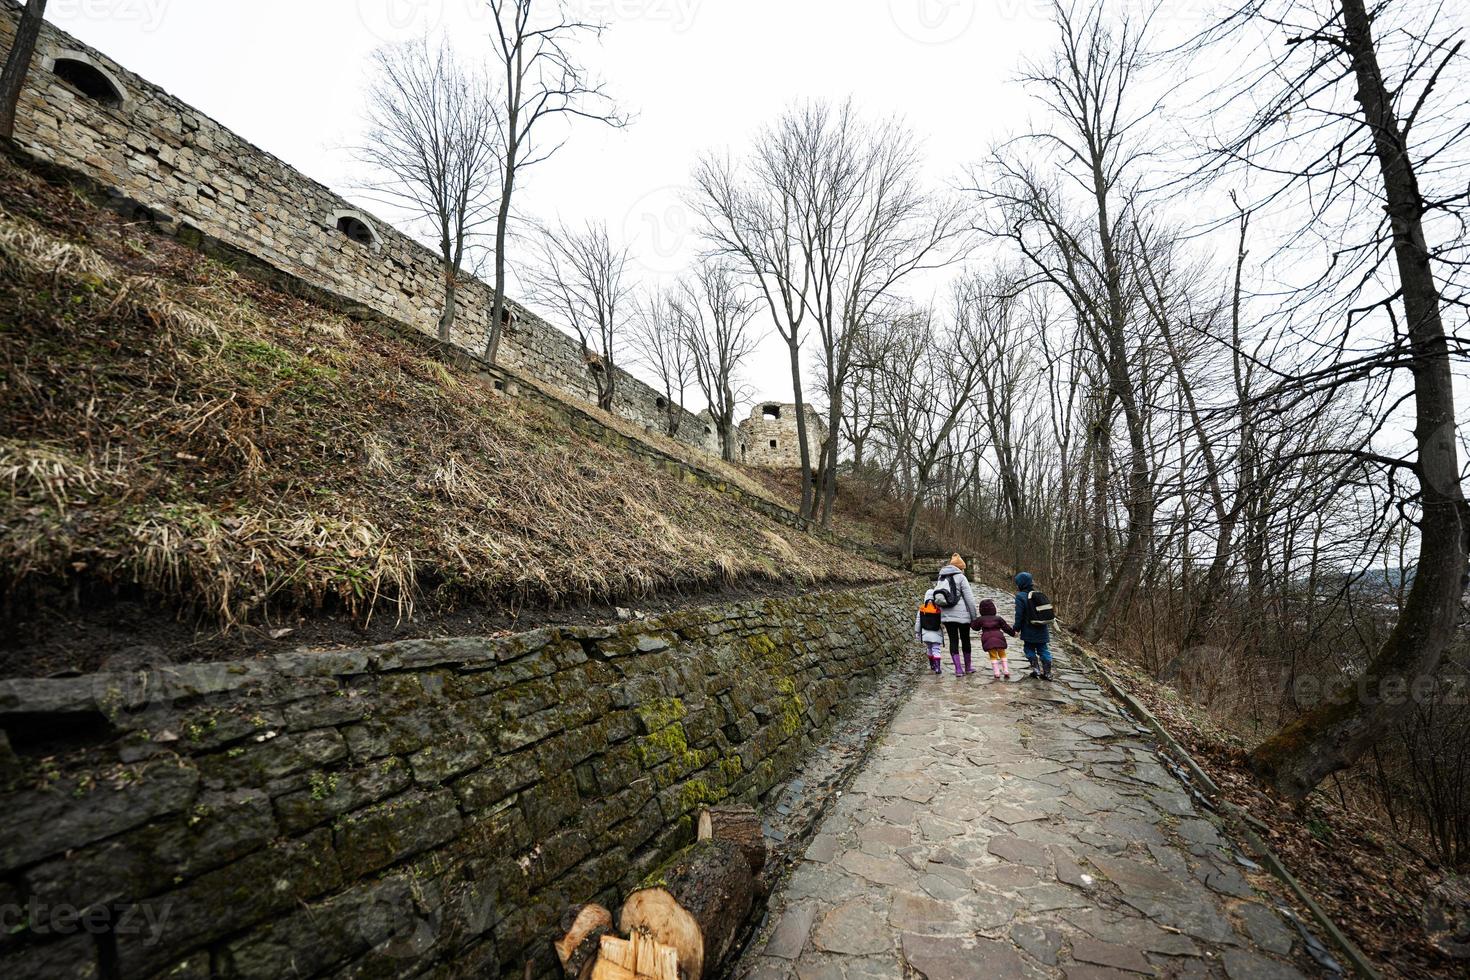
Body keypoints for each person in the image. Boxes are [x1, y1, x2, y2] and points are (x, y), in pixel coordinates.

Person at [935, 554, 978, 676]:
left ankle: (958, 669)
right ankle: (968, 667)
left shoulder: (941, 577)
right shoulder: (961, 577)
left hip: (947, 616)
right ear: (960, 568)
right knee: (965, 639)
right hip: (963, 616)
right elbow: (969, 599)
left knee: (953, 640)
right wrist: (974, 617)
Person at [1014, 571, 1053, 681]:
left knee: (1029, 649)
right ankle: (1047, 673)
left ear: (1021, 584)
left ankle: (1036, 669)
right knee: (1044, 650)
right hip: (1042, 628)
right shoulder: (1038, 594)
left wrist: (1016, 628)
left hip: (1028, 629)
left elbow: (1019, 615)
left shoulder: (1020, 596)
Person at [973, 598, 1018, 680]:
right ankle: (1006, 671)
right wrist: (1013, 633)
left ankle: (996, 673)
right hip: (999, 638)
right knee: (1002, 654)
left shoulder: (981, 619)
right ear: (994, 608)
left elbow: (975, 628)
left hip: (988, 639)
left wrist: (971, 622)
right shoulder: (998, 618)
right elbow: (1006, 628)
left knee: (993, 656)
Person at [914, 588, 945, 674]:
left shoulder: (922, 608)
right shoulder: (938, 608)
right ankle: (938, 667)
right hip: (936, 633)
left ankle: (932, 665)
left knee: (929, 648)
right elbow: (943, 620)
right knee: (936, 649)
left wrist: (917, 632)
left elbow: (918, 622)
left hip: (925, 634)